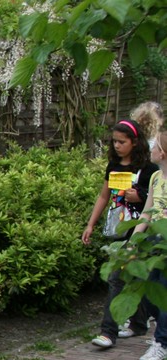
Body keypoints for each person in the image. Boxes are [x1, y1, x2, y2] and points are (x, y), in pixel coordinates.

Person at [82, 119, 157, 348]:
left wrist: (140, 196)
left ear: (134, 142)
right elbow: (104, 196)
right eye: (114, 141)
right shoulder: (113, 166)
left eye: (121, 142)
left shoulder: (149, 169)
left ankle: (109, 332)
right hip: (118, 228)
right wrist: (90, 224)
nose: (116, 146)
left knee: (120, 278)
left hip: (141, 231)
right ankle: (137, 324)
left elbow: (157, 200)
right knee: (130, 277)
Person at [131, 129, 167, 360]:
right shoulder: (155, 177)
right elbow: (146, 212)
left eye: (155, 147)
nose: (150, 150)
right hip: (154, 240)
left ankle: (161, 342)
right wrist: (133, 241)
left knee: (164, 291)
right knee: (149, 289)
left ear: (162, 153)